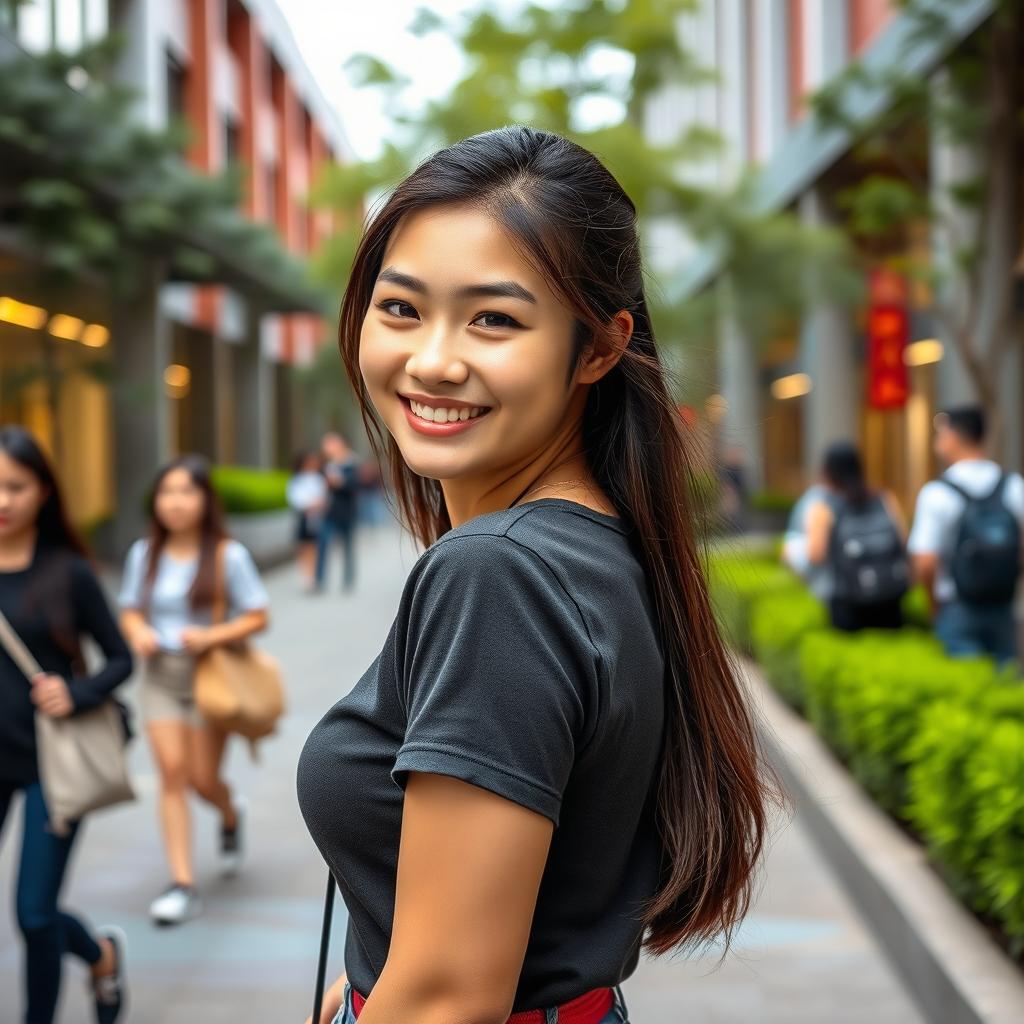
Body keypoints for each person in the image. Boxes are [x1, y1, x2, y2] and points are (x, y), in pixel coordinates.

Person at [297, 127, 779, 1024]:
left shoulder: (499, 575)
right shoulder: (597, 544)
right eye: (401, 308)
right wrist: (375, 980)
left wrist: (405, 992)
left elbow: (449, 1000)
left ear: (599, 348)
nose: (434, 359)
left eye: (494, 319)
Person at [0, 425, 132, 1023]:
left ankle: (90, 963)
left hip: (49, 764)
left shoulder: (67, 572)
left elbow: (122, 657)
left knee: (33, 913)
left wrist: (74, 693)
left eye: (16, 487)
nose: (2, 500)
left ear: (44, 492)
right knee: (36, 914)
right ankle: (98, 953)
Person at [118, 455, 270, 926]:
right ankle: (182, 884)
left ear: (205, 499)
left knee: (204, 780)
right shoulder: (144, 554)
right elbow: (128, 608)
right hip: (161, 677)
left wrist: (210, 636)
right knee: (172, 774)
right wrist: (138, 630)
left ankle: (228, 811)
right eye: (167, 493)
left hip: (210, 679)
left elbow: (258, 615)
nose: (176, 503)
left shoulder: (228, 555)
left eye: (187, 492)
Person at [908, 406, 1024, 665]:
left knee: (966, 686)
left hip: (957, 605)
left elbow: (925, 561)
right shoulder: (1013, 486)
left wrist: (932, 603)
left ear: (954, 437)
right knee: (1005, 685)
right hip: (1003, 605)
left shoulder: (937, 492)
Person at [803, 442, 909, 632]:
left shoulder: (823, 507)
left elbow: (815, 555)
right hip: (890, 596)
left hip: (847, 602)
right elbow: (904, 541)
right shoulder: (884, 498)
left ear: (827, 471)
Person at [314, 433, 360, 592]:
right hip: (329, 512)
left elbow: (354, 486)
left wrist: (339, 482)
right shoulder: (327, 464)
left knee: (348, 547)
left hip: (346, 511)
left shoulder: (351, 463)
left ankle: (348, 580)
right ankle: (319, 580)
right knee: (323, 545)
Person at [288, 449, 329, 592]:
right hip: (302, 516)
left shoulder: (318, 479)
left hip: (316, 517)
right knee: (303, 547)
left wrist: (316, 504)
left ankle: (312, 577)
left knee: (314, 547)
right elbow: (294, 498)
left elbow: (323, 498)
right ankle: (305, 576)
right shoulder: (297, 479)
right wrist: (308, 504)